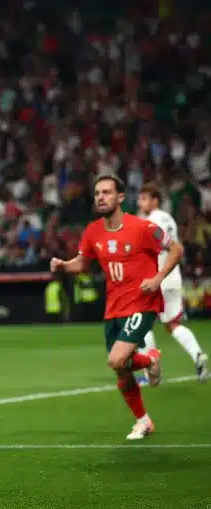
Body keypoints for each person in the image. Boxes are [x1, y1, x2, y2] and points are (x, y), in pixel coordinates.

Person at [50, 175, 184, 440]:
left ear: (120, 197)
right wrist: (64, 265)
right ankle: (143, 421)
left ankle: (150, 359)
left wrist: (158, 278)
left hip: (142, 303)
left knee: (116, 359)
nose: (101, 197)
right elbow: (82, 263)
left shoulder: (143, 227)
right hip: (113, 308)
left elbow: (176, 249)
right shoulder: (93, 231)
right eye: (97, 193)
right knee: (121, 370)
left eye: (107, 192)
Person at [136, 183, 208, 383]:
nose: (140, 202)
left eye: (144, 198)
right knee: (173, 324)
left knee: (141, 324)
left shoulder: (150, 222)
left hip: (156, 278)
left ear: (155, 201)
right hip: (172, 276)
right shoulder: (168, 218)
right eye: (140, 198)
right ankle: (197, 355)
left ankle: (150, 373)